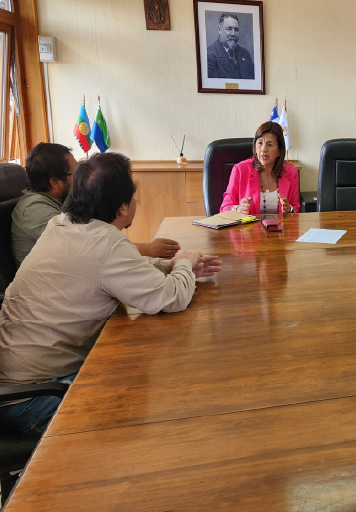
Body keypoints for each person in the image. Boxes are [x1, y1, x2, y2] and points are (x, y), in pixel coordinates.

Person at [0, 152, 222, 434]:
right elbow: (172, 298)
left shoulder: (62, 224)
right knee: (154, 406)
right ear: (122, 209)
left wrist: (171, 266)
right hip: (36, 397)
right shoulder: (107, 243)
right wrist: (184, 264)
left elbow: (115, 267)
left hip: (16, 385)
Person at [12, 142, 180, 267]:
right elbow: (89, 246)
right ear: (55, 182)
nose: (80, 177)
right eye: (75, 172)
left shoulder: (56, 202)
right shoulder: (35, 210)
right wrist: (148, 249)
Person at [220, 121, 300, 215]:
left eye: (269, 145)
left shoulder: (291, 173)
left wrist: (289, 210)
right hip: (249, 225)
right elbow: (224, 208)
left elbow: (296, 211)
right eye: (260, 143)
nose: (263, 149)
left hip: (280, 225)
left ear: (279, 151)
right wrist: (238, 209)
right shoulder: (240, 170)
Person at [206, 12, 255, 80]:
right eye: (229, 29)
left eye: (236, 30)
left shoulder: (245, 54)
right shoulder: (209, 56)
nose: (233, 34)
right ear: (219, 30)